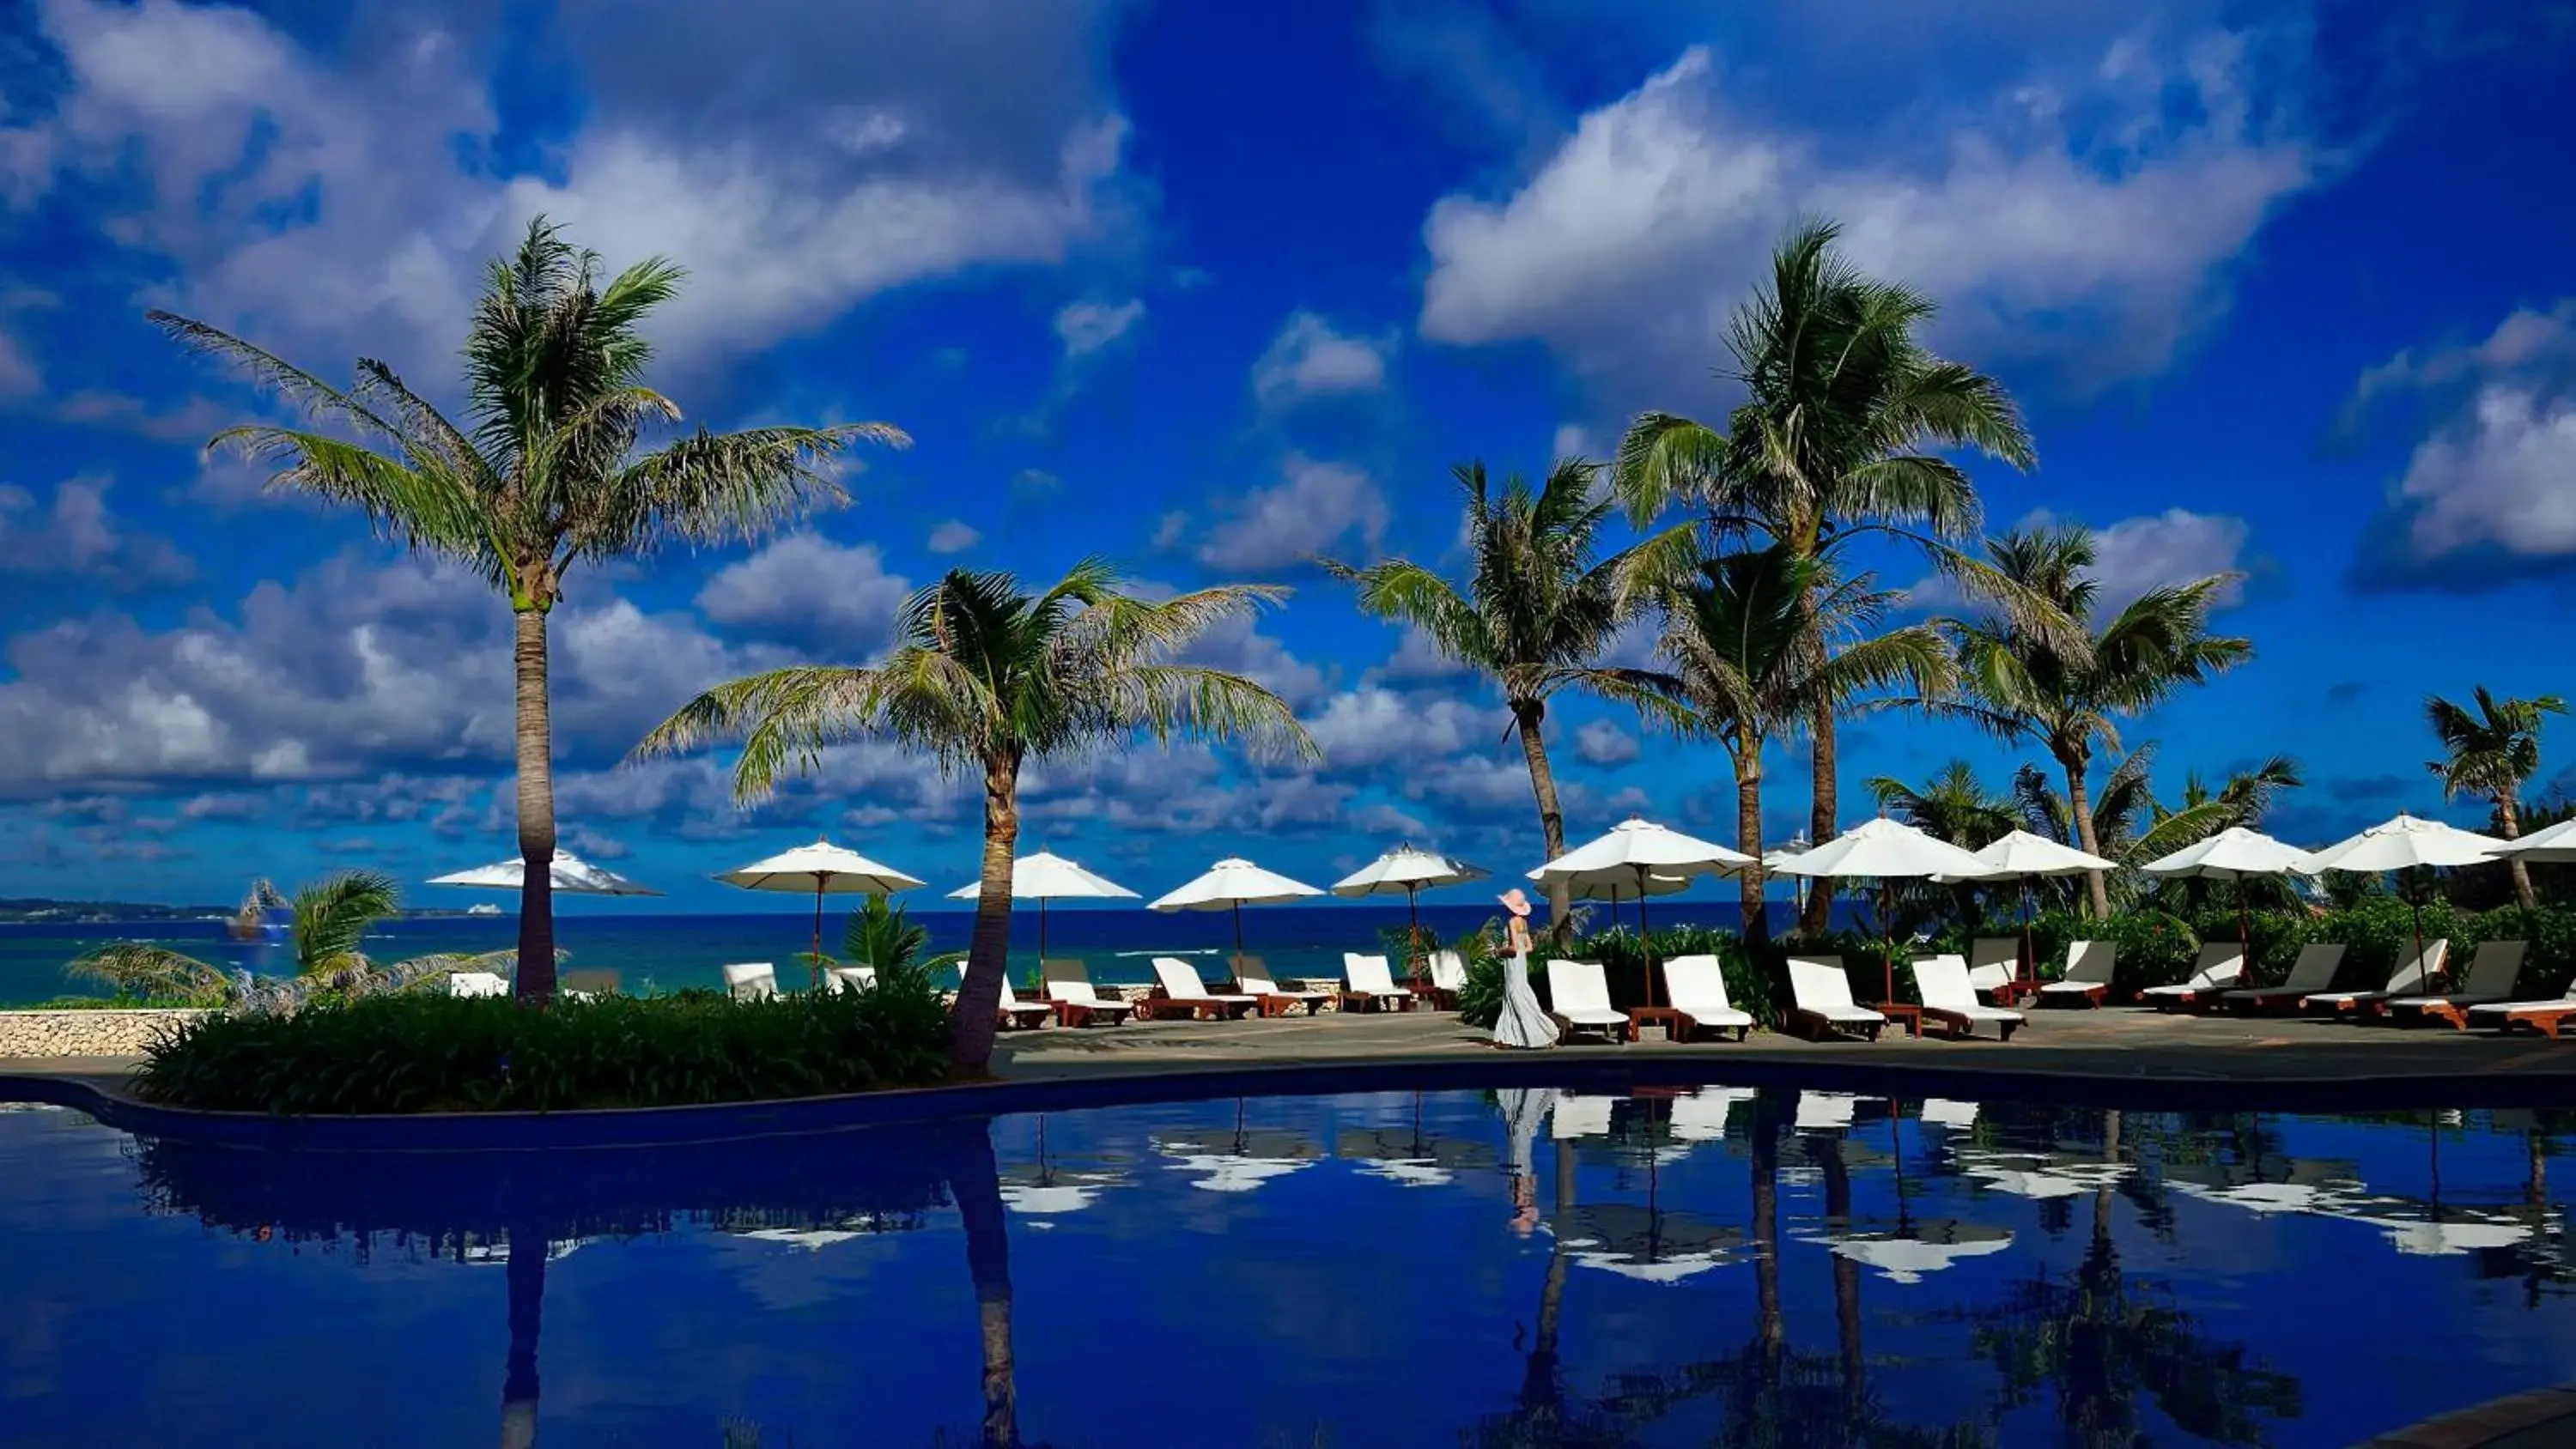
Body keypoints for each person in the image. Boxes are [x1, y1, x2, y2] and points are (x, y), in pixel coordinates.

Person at [1492, 888, 1560, 1050]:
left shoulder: (1511, 922)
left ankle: (1538, 1035)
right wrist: (1516, 951)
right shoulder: (1523, 922)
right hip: (1520, 964)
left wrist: (1499, 951)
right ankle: (1509, 1038)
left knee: (1516, 999)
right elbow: (1529, 948)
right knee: (1521, 997)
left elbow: (1514, 948)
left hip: (1513, 965)